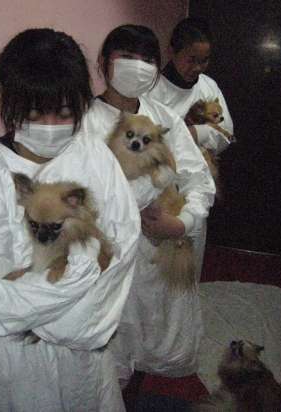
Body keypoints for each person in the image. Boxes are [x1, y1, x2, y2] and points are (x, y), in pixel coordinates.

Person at [0, 28, 140, 412]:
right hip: (11, 361)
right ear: (11, 104)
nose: (51, 124)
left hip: (84, 358)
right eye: (35, 112)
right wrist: (79, 283)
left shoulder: (92, 154)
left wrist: (74, 324)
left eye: (65, 112)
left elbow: (124, 240)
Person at [82, 25, 215, 383]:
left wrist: (183, 222)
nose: (138, 66)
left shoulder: (165, 119)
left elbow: (199, 180)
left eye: (147, 59)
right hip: (103, 260)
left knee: (151, 339)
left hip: (158, 253)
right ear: (103, 62)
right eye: (127, 56)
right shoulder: (83, 122)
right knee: (107, 358)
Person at [149, 17, 234, 155]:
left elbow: (226, 135)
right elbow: (150, 144)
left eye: (204, 60)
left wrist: (191, 134)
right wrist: (200, 133)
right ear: (171, 51)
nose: (197, 68)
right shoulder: (151, 88)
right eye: (191, 60)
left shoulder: (208, 85)